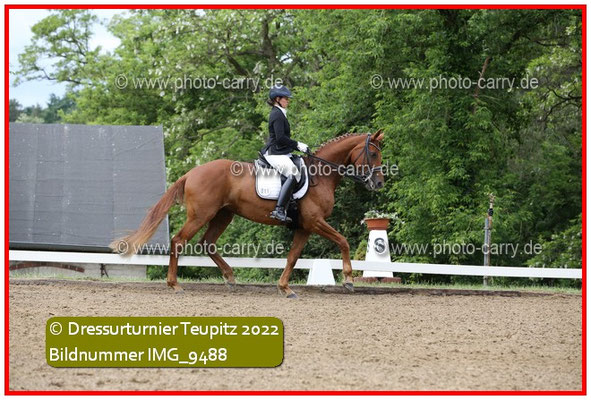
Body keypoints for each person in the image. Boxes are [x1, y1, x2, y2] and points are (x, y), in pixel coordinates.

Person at [260, 85, 309, 223]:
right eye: (285, 98)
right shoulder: (277, 114)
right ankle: (279, 209)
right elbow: (281, 138)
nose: (288, 100)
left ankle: (291, 201)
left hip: (281, 151)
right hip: (274, 153)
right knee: (294, 174)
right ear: (277, 99)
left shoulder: (280, 112)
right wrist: (298, 145)